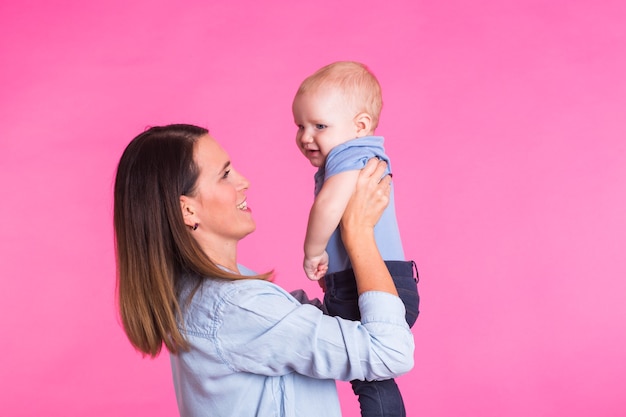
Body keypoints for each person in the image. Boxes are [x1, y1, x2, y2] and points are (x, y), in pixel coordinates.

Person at [113, 123, 414, 417]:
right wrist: (359, 232)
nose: (243, 182)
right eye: (225, 175)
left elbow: (317, 331)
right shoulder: (235, 306)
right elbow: (390, 352)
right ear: (187, 210)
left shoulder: (200, 292)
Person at [292, 61, 420, 417]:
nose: (305, 136)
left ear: (360, 126)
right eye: (300, 126)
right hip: (362, 283)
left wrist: (312, 251)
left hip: (375, 286)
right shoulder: (347, 156)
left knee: (368, 372)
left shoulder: (355, 153)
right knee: (371, 378)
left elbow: (330, 204)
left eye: (319, 125)